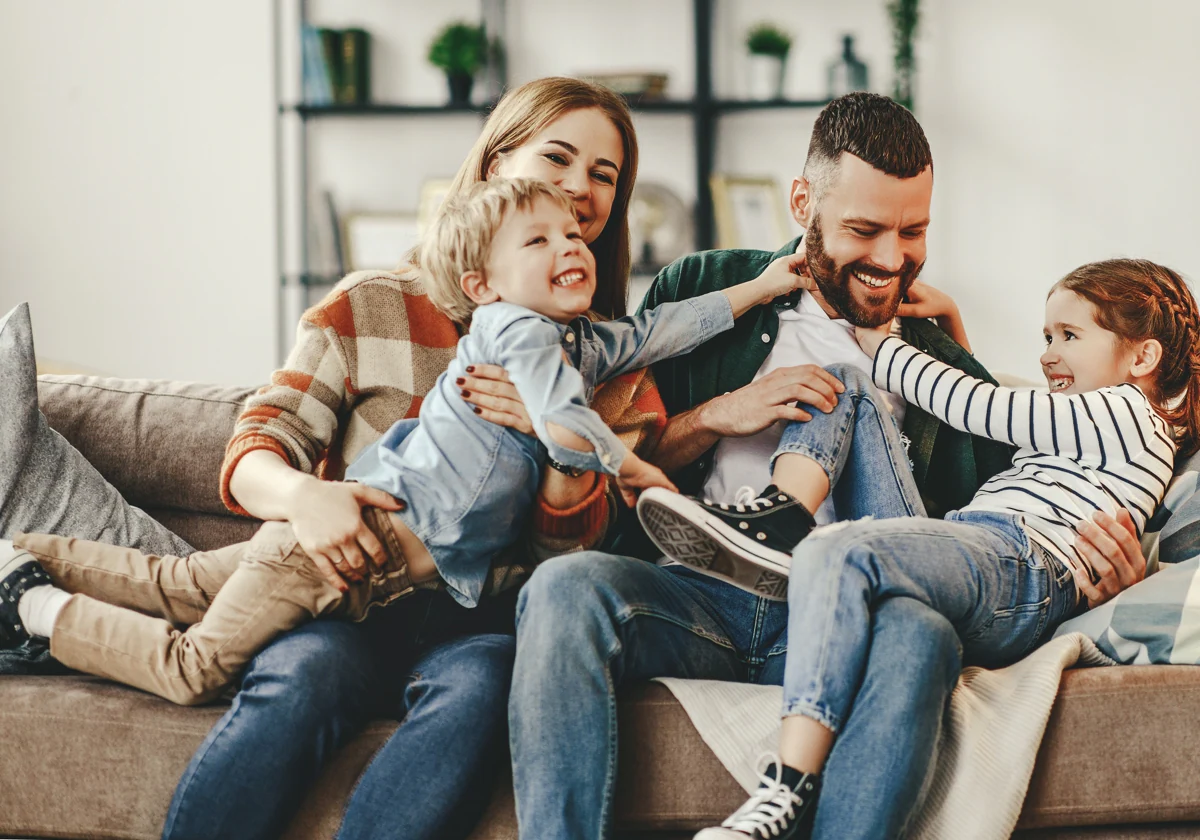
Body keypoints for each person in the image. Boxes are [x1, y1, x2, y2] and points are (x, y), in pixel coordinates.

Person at [507, 92, 1155, 840]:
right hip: (700, 597)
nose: (890, 259)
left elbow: (1001, 528)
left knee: (921, 630)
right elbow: (614, 463)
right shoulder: (703, 286)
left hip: (851, 616)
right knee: (564, 587)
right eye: (864, 229)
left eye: (913, 232)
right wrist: (716, 415)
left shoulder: (933, 352)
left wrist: (1103, 568)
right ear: (802, 201)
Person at [0, 176, 807, 706]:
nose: (571, 247)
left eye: (576, 234)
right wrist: (638, 472)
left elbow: (662, 328)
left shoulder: (581, 344)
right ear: (482, 287)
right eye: (540, 240)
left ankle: (17, 552)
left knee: (172, 580)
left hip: (370, 575)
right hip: (341, 546)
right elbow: (564, 419)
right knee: (193, 669)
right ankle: (35, 607)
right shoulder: (514, 330)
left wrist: (763, 287)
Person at [143, 77, 659, 840]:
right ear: (493, 164)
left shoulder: (606, 364)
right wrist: (304, 498)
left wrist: (559, 441)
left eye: (604, 176)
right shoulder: (373, 300)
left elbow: (567, 560)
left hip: (480, 620)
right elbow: (259, 445)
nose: (579, 188)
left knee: (481, 687)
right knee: (301, 677)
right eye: (558, 157)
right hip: (348, 598)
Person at [634, 258, 1200, 838]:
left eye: (1069, 336)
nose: (1047, 354)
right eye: (1046, 337)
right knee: (844, 387)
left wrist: (884, 346)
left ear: (1142, 358)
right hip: (977, 547)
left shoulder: (1128, 412)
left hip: (1022, 562)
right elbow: (1000, 430)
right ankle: (780, 521)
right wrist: (952, 324)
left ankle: (785, 785)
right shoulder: (1097, 426)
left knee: (836, 550)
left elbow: (982, 408)